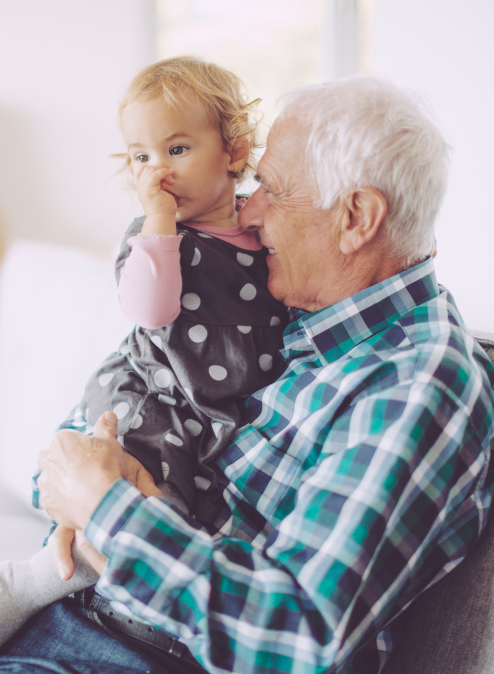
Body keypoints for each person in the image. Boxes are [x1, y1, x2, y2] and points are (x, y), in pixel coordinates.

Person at [1, 75, 493, 674]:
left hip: (141, 654)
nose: (249, 211)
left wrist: (106, 507)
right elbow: (120, 397)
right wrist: (84, 479)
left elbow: (296, 636)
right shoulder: (292, 307)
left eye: (272, 189)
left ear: (357, 217)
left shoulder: (418, 385)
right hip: (82, 611)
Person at [0, 56, 288, 647]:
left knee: (189, 514)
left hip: (214, 414)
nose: (157, 171)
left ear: (233, 153)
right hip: (153, 397)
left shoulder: (264, 236)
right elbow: (152, 310)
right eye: (141, 156)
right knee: (134, 483)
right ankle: (33, 581)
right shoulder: (152, 239)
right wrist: (157, 221)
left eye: (177, 150)